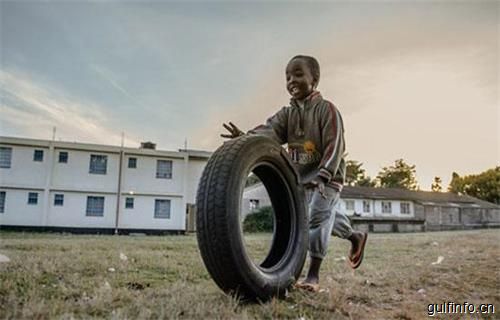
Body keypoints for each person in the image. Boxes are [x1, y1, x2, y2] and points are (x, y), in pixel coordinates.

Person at [221, 55, 368, 292]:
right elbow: (268, 132)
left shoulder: (326, 110)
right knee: (323, 215)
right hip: (302, 178)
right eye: (287, 76)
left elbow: (336, 145)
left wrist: (324, 174)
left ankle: (313, 275)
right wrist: (244, 137)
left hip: (328, 178)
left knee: (315, 218)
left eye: (298, 74)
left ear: (315, 79)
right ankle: (355, 236)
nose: (292, 80)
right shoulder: (287, 115)